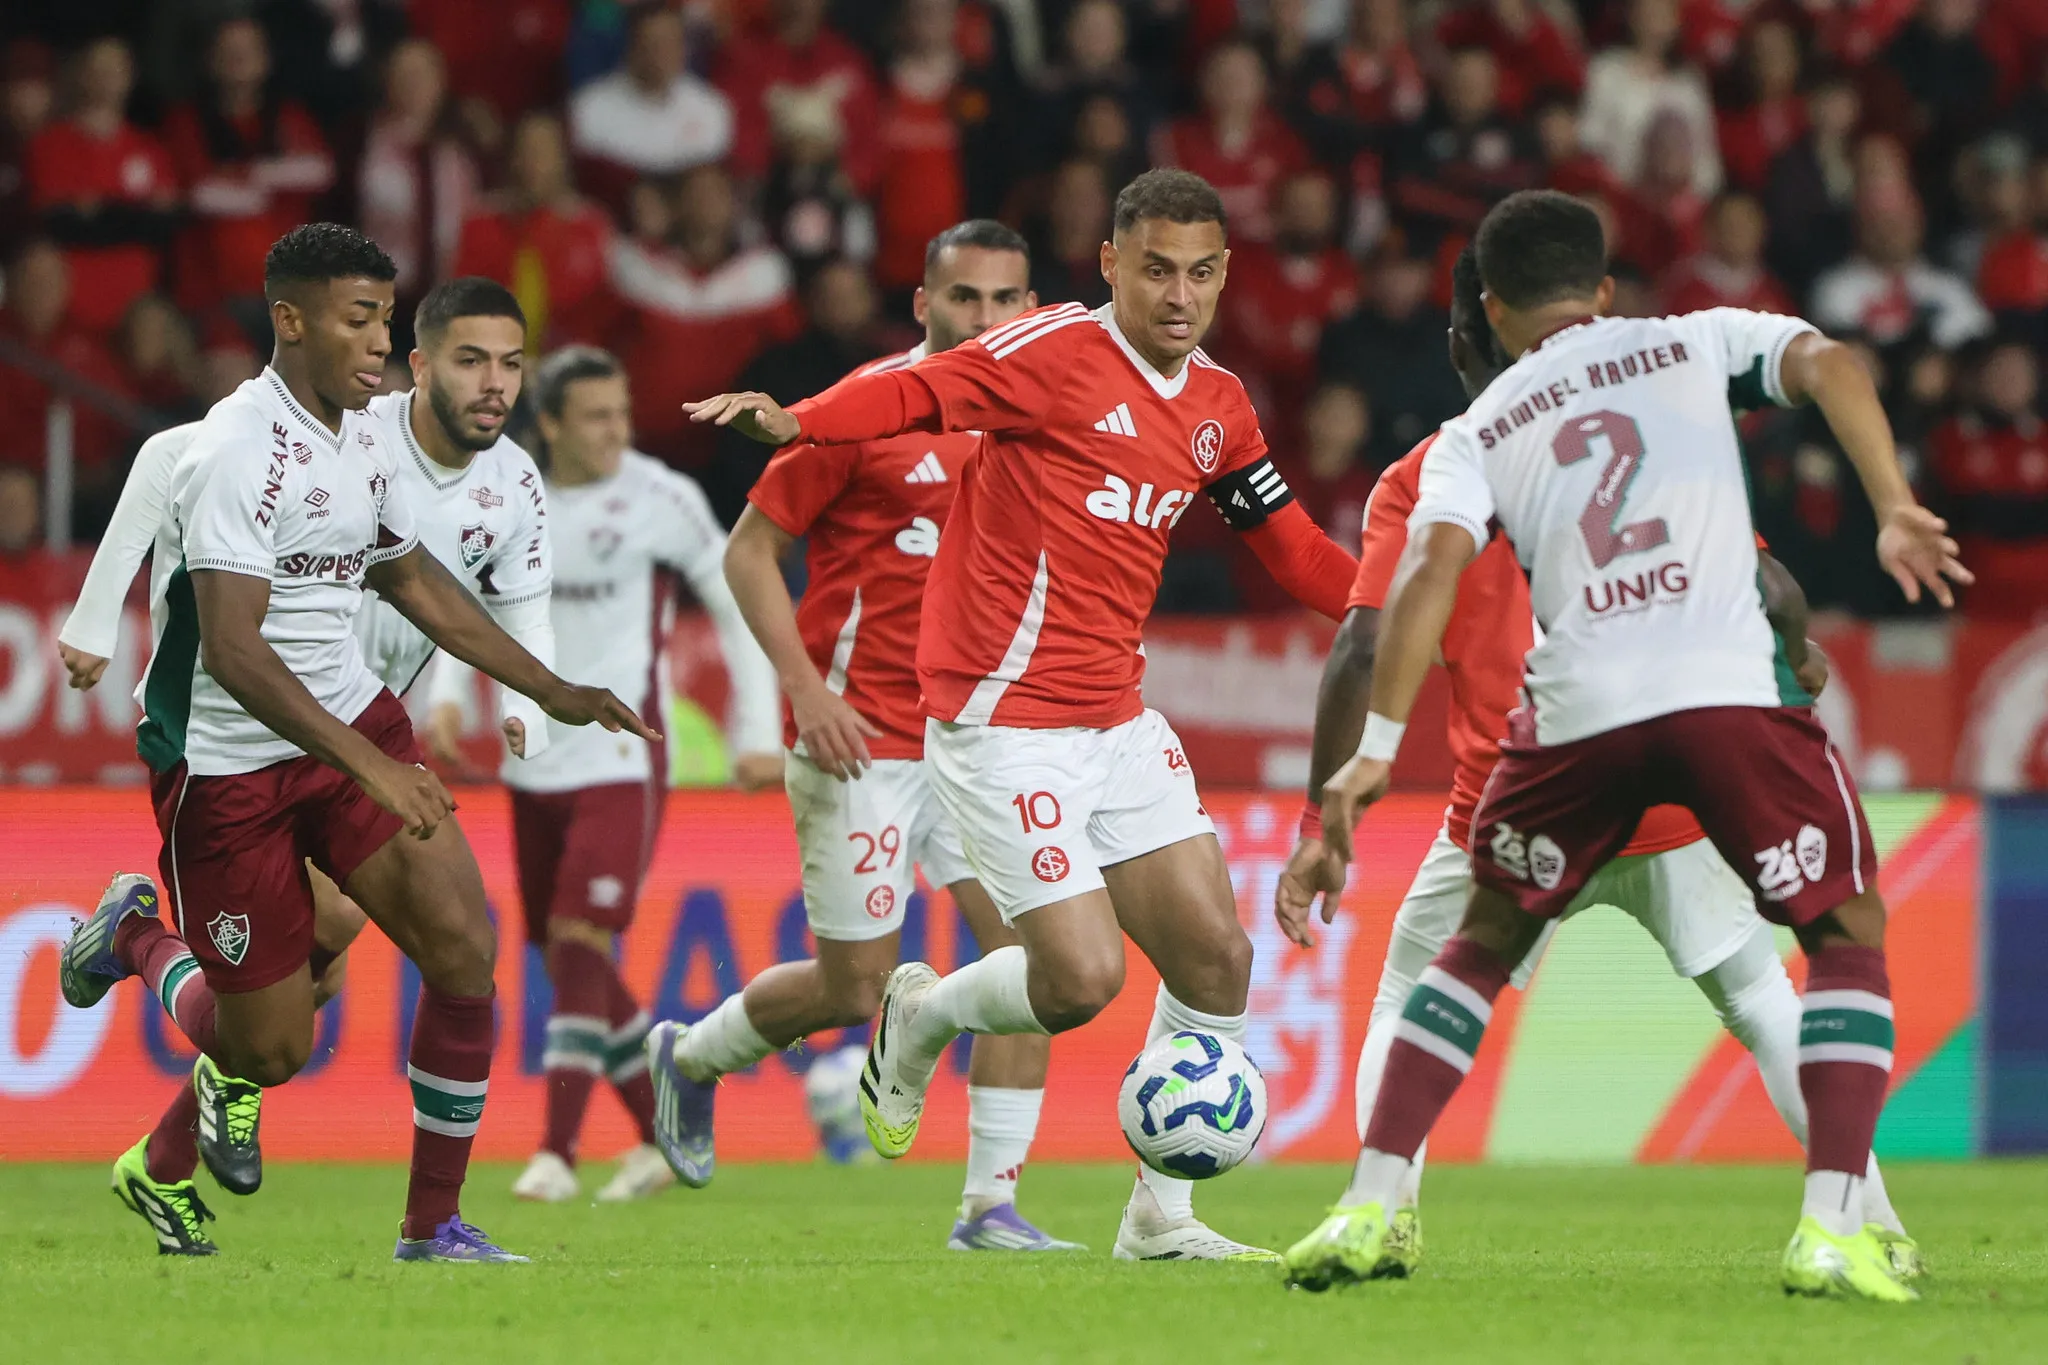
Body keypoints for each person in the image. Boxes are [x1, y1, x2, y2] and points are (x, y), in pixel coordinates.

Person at [1275, 190, 1969, 1301]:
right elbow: (1817, 417)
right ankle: (1852, 1222)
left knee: (1442, 968)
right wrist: (1883, 513)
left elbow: (1403, 595)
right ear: (1603, 291)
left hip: (1549, 745)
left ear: (1487, 316)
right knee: (1792, 967)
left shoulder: (1464, 441)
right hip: (1697, 753)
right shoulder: (1684, 351)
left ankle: (1373, 1207)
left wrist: (1361, 763)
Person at [686, 169, 1359, 1261]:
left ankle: (1160, 1219)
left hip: (1115, 718)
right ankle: (922, 1014)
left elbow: (1288, 547)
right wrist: (800, 420)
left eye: (1198, 273)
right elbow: (916, 393)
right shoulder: (1049, 352)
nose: (1176, 296)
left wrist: (1400, 601)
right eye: (1152, 270)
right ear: (1108, 265)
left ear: (1224, 273)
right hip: (1003, 722)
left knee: (1214, 961)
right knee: (1081, 980)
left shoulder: (1218, 406)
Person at [55, 223, 656, 1262]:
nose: (378, 343)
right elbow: (237, 655)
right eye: (357, 319)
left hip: (346, 722)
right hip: (227, 762)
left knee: (464, 953)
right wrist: (372, 765)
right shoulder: (240, 452)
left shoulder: (359, 440)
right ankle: (134, 939)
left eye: (384, 316)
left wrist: (548, 685)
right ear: (289, 321)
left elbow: (410, 578)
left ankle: (432, 1228)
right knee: (273, 1047)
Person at [647, 220, 1081, 1253]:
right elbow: (749, 557)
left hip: (976, 741)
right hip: (859, 739)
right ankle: (689, 1059)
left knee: (1035, 961)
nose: (984, 320)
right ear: (923, 304)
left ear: (1030, 309)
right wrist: (805, 689)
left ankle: (989, 1208)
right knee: (851, 987)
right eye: (963, 299)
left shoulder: (1039, 417)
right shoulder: (862, 412)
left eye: (1004, 300)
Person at [436, 344, 780, 1206]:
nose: (616, 431)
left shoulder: (661, 496)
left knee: (582, 942)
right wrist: (445, 694)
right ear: (547, 424)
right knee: (564, 952)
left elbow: (741, 597)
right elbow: (455, 596)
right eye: (595, 416)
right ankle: (659, 1129)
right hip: (534, 762)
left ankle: (557, 1149)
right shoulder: (505, 493)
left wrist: (758, 729)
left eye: (622, 413)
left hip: (625, 752)